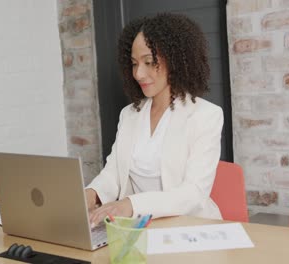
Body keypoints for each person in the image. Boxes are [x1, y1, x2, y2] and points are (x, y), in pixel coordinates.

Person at [86, 13, 223, 227]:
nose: (139, 74)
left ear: (175, 59)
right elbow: (113, 173)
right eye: (133, 64)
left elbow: (193, 193)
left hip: (190, 227)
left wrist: (130, 204)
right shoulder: (129, 114)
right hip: (138, 229)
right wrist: (91, 194)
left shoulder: (205, 116)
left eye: (149, 62)